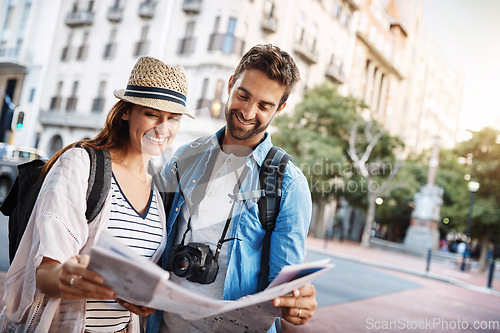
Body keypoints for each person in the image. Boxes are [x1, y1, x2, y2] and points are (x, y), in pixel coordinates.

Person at [0, 56, 194, 332]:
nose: (163, 128)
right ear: (126, 111)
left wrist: (144, 299)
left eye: (173, 118)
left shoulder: (159, 187)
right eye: (152, 114)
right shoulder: (79, 165)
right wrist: (69, 278)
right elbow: (45, 276)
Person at [146, 44, 316, 332]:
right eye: (243, 95)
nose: (248, 112)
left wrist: (297, 302)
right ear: (230, 84)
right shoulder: (183, 158)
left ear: (280, 108)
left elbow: (283, 291)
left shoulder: (289, 185)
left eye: (264, 106)